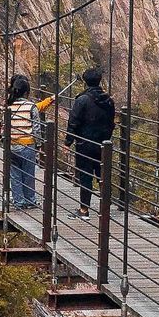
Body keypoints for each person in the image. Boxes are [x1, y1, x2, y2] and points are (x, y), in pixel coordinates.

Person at [65, 66, 115, 219]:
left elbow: (73, 121)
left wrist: (68, 142)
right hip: (103, 145)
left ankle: (84, 210)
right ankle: (105, 209)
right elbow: (111, 122)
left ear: (85, 82)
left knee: (86, 176)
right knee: (103, 177)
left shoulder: (82, 100)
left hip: (85, 144)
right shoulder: (108, 101)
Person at [5, 75, 55, 209]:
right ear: (27, 92)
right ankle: (30, 200)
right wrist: (39, 144)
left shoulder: (9, 106)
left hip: (12, 145)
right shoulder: (31, 106)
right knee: (28, 173)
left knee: (15, 175)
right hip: (27, 145)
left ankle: (18, 202)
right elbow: (36, 127)